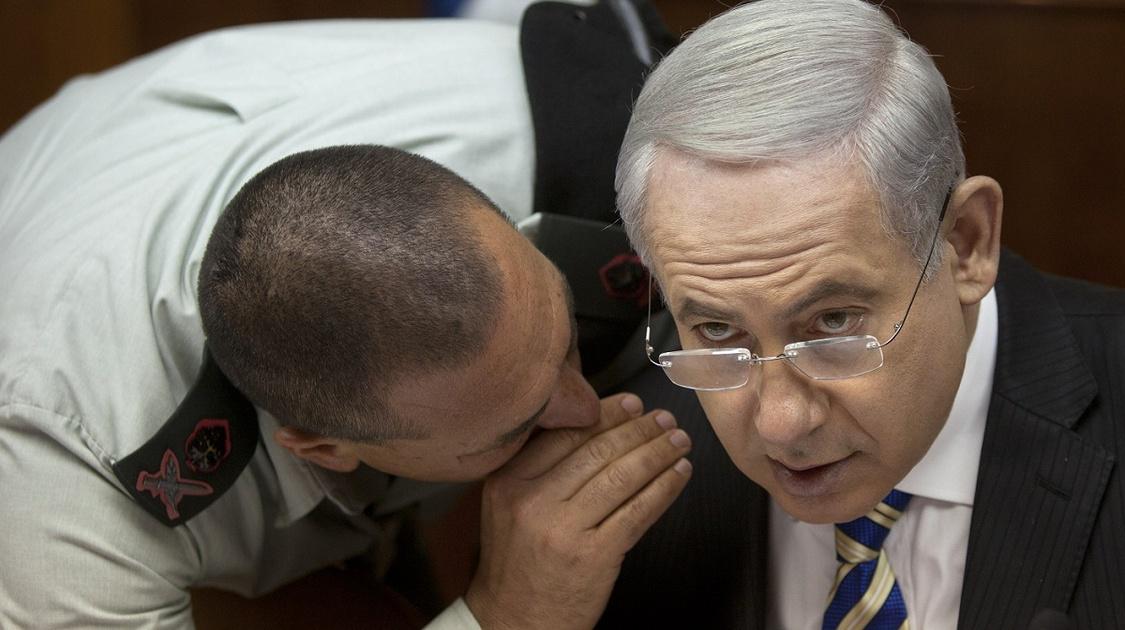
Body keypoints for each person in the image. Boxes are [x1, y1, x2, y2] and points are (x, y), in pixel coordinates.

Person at [0, 13, 690, 630]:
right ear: (322, 448)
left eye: (561, 333)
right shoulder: (64, 498)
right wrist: (508, 615)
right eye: (513, 426)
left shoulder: (583, 139)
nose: (584, 409)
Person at [596, 1, 1125, 628]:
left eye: (834, 322)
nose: (781, 424)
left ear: (966, 243)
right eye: (719, 331)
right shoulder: (616, 511)